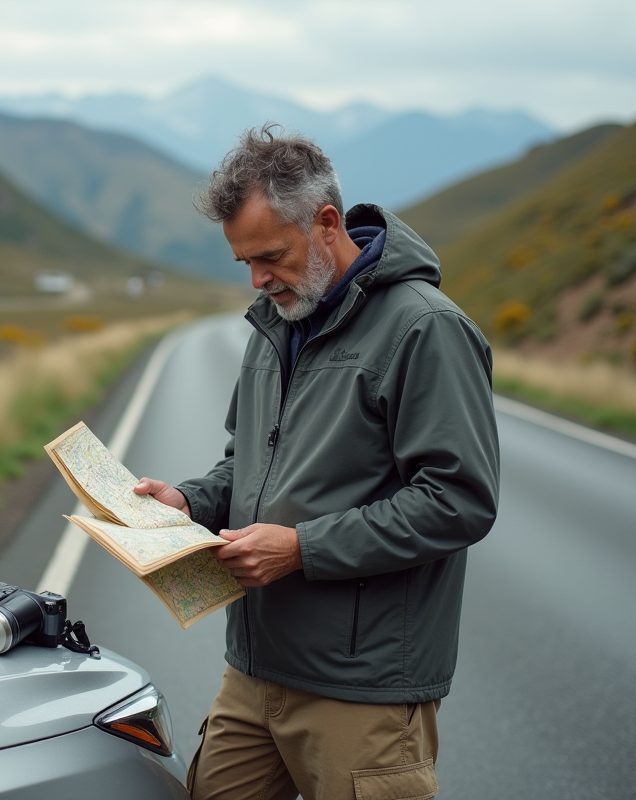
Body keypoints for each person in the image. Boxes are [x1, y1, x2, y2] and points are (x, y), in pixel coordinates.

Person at [133, 123, 500, 800]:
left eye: (271, 256)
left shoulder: (425, 328)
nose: (257, 279)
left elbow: (459, 501)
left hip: (363, 686)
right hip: (254, 668)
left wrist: (301, 548)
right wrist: (188, 502)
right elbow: (247, 464)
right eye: (244, 262)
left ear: (327, 223)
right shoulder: (275, 322)